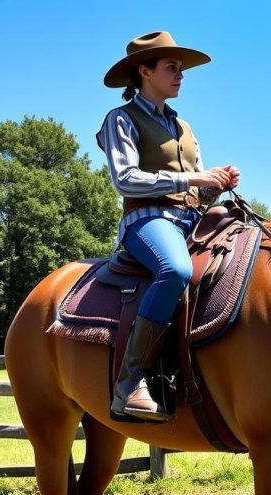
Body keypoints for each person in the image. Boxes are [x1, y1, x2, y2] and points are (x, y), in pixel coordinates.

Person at [97, 31, 239, 421]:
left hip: (190, 219)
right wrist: (194, 180)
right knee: (174, 269)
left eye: (181, 69)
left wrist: (217, 184)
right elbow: (125, 179)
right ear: (145, 71)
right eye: (171, 67)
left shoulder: (185, 128)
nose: (180, 75)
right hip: (147, 220)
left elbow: (197, 189)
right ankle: (130, 383)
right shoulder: (120, 119)